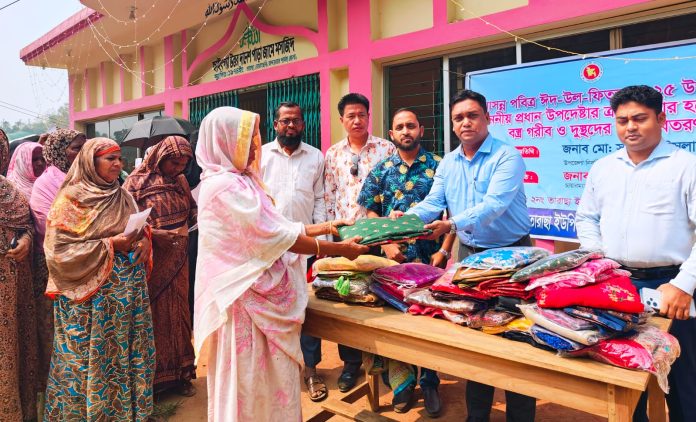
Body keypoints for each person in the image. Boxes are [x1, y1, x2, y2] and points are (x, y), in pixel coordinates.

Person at [193, 106, 368, 421]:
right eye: (246, 140)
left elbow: (279, 225)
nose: (254, 147)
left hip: (263, 298)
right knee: (250, 384)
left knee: (274, 381)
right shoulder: (223, 187)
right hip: (245, 305)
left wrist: (328, 226)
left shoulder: (244, 180)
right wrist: (337, 248)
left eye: (254, 139)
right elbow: (275, 236)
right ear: (225, 141)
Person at [404, 89, 534, 422]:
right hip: (470, 257)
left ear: (487, 118)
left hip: (513, 258)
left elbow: (494, 205)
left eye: (472, 115)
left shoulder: (507, 156)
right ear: (452, 124)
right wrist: (403, 221)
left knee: (517, 340)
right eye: (458, 118)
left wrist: (450, 224)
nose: (466, 122)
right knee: (473, 335)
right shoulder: (448, 163)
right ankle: (477, 416)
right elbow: (433, 202)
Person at [576, 85, 696, 422]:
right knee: (626, 376)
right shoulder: (604, 167)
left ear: (661, 118)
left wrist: (684, 284)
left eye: (640, 119)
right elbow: (586, 217)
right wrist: (597, 260)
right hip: (618, 284)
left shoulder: (686, 166)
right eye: (622, 120)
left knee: (683, 379)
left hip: (672, 288)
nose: (630, 127)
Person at [42, 137, 156, 421]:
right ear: (90, 163)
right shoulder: (72, 200)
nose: (118, 164)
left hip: (125, 301)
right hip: (89, 302)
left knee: (125, 353)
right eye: (110, 158)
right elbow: (58, 250)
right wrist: (110, 245)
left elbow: (138, 227)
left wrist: (145, 240)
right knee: (86, 359)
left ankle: (126, 413)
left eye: (119, 158)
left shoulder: (121, 194)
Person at [357, 108, 452, 416]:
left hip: (430, 260)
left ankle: (430, 382)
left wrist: (444, 251)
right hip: (392, 263)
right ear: (392, 134)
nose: (406, 131)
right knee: (395, 325)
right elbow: (370, 209)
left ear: (421, 129)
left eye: (411, 125)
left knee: (430, 324)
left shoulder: (439, 165)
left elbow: (453, 214)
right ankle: (403, 384)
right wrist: (386, 244)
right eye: (400, 127)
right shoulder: (382, 169)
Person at [324, 92, 396, 392]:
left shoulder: (386, 148)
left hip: (379, 235)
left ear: (369, 116)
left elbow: (393, 192)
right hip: (345, 237)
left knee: (382, 297)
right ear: (341, 120)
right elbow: (329, 196)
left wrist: (391, 234)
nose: (357, 120)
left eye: (361, 115)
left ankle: (387, 363)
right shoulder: (332, 154)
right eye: (350, 116)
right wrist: (330, 238)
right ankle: (351, 364)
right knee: (347, 299)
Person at [260, 102, 329, 402]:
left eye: (296, 121)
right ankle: (276, 373)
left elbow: (320, 199)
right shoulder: (261, 155)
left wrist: (321, 243)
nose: (291, 126)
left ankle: (310, 370)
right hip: (270, 249)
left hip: (305, 247)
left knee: (306, 310)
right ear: (275, 124)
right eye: (285, 121)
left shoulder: (315, 156)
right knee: (273, 311)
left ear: (303, 124)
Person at [124, 135, 197, 397]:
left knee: (180, 314)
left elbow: (191, 207)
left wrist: (195, 219)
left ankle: (182, 374)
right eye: (174, 163)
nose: (178, 169)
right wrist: (154, 235)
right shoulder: (136, 183)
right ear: (160, 158)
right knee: (154, 316)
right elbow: (126, 221)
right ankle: (154, 380)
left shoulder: (180, 181)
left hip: (179, 256)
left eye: (183, 164)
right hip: (152, 258)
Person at [29, 128, 86, 393]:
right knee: (59, 329)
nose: (81, 153)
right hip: (55, 265)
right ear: (58, 151)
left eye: (83, 147)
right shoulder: (46, 183)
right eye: (75, 148)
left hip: (89, 260)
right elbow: (49, 225)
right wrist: (93, 231)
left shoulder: (85, 178)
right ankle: (62, 390)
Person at [0, 132, 40, 421]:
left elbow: (26, 224)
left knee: (16, 353)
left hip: (17, 290)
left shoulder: (9, 190)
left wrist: (26, 240)